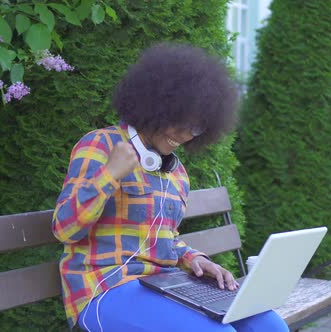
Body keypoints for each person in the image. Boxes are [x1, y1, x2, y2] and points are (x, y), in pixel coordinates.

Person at [52, 43, 289, 332]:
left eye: (196, 129)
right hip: (104, 289)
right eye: (180, 123)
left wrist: (196, 259)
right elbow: (65, 229)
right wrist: (110, 174)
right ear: (157, 107)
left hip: (163, 286)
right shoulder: (100, 146)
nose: (185, 135)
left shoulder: (175, 172)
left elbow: (165, 238)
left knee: (269, 325)